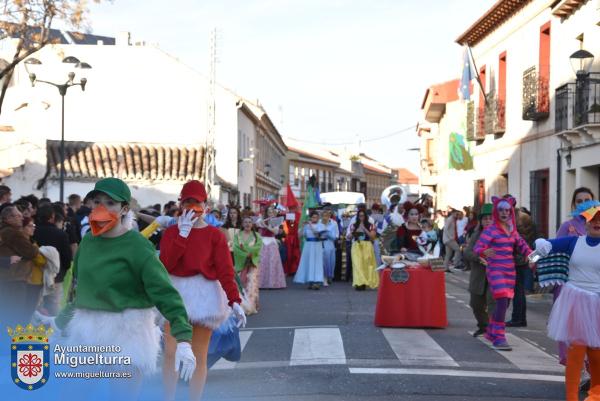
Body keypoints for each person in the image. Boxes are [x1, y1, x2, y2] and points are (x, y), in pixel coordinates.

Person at [41, 178, 196, 400]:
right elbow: (81, 293)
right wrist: (58, 323)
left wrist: (183, 339)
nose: (101, 208)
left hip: (129, 335)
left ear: (124, 209)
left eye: (110, 203)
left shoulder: (138, 246)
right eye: (97, 201)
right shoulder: (88, 244)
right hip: (88, 333)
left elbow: (165, 293)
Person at [159, 180, 245, 401]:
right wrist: (182, 235)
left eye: (196, 203)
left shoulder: (215, 235)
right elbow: (165, 265)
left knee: (198, 355)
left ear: (205, 205)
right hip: (175, 295)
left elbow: (225, 270)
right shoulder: (171, 233)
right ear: (180, 205)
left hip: (204, 296)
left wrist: (234, 300)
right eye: (187, 203)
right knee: (170, 353)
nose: (192, 207)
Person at [533, 200, 600, 401]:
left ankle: (595, 394)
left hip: (598, 303)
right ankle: (571, 397)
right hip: (576, 301)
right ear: (585, 223)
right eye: (593, 219)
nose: (597, 222)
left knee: (596, 353)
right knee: (576, 351)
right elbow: (548, 245)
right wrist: (539, 248)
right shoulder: (574, 242)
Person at [473, 196, 532, 351]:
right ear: (496, 212)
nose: (504, 213)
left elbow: (524, 248)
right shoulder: (490, 230)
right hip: (495, 270)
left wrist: (535, 258)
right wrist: (484, 252)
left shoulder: (512, 231)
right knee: (501, 301)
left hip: (510, 272)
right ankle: (499, 336)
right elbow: (477, 248)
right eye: (501, 210)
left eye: (507, 210)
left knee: (505, 303)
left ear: (511, 211)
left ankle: (491, 331)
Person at [555, 187, 595, 391]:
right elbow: (555, 250)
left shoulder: (597, 224)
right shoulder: (568, 227)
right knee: (575, 338)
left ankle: (592, 377)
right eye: (579, 201)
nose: (583, 203)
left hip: (596, 294)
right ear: (573, 205)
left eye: (587, 200)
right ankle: (578, 375)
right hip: (573, 290)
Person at [0, 206, 40, 328]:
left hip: (7, 279)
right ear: (9, 218)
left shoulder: (4, 231)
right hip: (14, 280)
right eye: (18, 216)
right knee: (14, 317)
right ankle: (9, 344)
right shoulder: (12, 233)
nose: (22, 218)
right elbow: (31, 252)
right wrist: (34, 246)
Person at [33, 204, 73, 316]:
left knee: (36, 305)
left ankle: (35, 329)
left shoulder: (32, 232)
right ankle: (53, 329)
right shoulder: (61, 234)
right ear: (52, 217)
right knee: (54, 304)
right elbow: (67, 257)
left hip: (35, 275)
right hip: (56, 275)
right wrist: (64, 269)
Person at [463, 203, 496, 337]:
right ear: (481, 221)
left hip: (495, 276)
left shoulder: (502, 235)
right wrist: (479, 257)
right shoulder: (476, 235)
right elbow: (467, 252)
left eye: (490, 218)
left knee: (493, 304)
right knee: (476, 304)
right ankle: (483, 326)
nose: (487, 221)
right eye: (485, 219)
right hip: (479, 276)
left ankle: (495, 330)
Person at [507, 206, 537, 328]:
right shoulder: (526, 218)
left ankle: (517, 319)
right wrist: (533, 258)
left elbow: (516, 243)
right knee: (520, 292)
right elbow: (535, 240)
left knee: (517, 292)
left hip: (518, 261)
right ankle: (520, 319)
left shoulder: (515, 222)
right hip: (526, 259)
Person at [233, 216, 263, 314]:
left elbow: (258, 247)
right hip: (242, 262)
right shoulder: (238, 235)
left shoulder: (257, 235)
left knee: (252, 283)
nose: (247, 224)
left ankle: (251, 305)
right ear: (242, 224)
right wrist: (246, 254)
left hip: (252, 262)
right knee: (241, 283)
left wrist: (249, 253)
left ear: (252, 224)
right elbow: (236, 248)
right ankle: (242, 305)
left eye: (250, 222)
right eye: (245, 222)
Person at [256, 205, 287, 289]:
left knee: (272, 262)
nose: (270, 213)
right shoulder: (262, 220)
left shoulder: (275, 221)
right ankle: (261, 283)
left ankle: (273, 283)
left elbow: (275, 232)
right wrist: (262, 221)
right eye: (269, 212)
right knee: (262, 262)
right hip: (263, 242)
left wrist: (266, 226)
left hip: (271, 242)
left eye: (272, 212)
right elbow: (257, 224)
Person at [294, 210, 326, 290]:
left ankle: (317, 281)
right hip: (308, 245)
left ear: (318, 218)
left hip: (317, 245)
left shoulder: (321, 225)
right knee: (309, 262)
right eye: (313, 217)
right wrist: (302, 226)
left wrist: (310, 225)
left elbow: (317, 234)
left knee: (317, 263)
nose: (314, 219)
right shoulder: (306, 226)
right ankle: (310, 281)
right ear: (310, 218)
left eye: (316, 217)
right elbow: (300, 236)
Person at [349, 209, 379, 290]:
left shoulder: (371, 225)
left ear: (366, 216)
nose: (361, 217)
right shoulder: (354, 225)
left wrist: (364, 229)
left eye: (362, 216)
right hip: (356, 246)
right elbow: (349, 237)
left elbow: (372, 237)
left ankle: (365, 282)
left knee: (366, 265)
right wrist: (355, 231)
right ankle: (359, 283)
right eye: (359, 216)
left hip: (367, 245)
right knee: (357, 265)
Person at [321, 209, 339, 286]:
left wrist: (328, 233)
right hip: (321, 243)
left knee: (331, 262)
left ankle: (329, 276)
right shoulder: (319, 223)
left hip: (330, 243)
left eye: (327, 215)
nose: (325, 217)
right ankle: (324, 278)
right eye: (324, 215)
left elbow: (336, 236)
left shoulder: (334, 223)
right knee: (323, 262)